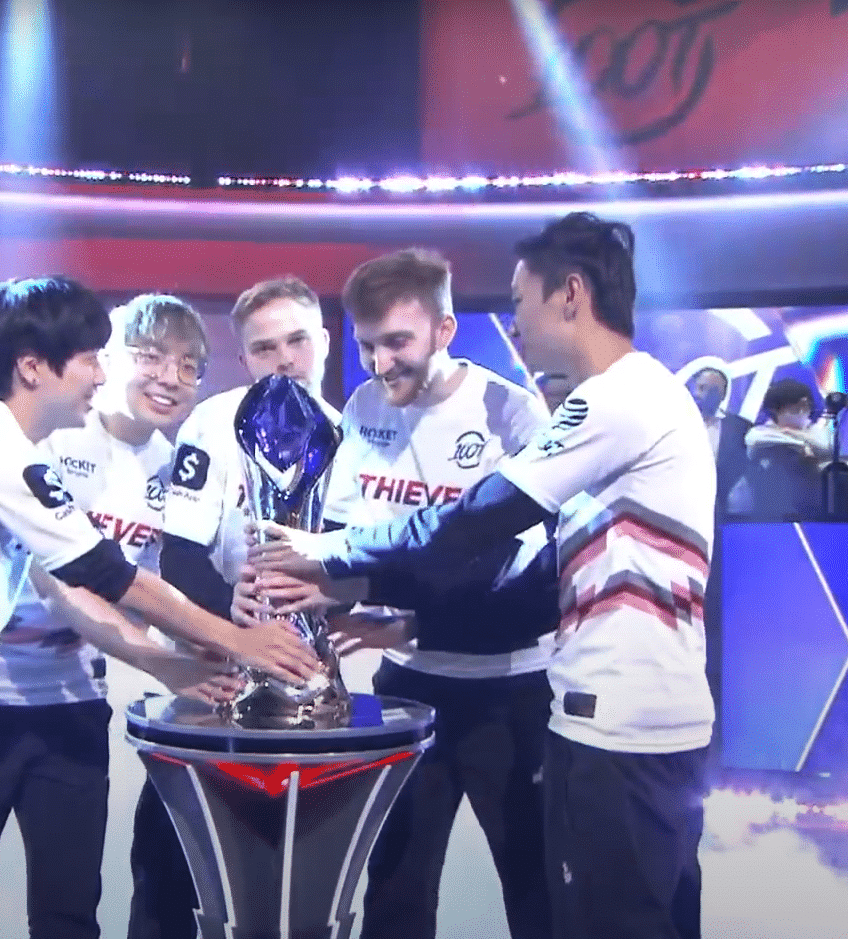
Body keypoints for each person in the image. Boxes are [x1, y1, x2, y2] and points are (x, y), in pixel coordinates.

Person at [249, 214, 716, 939]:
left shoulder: (608, 400)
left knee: (577, 909)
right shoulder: (631, 393)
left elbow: (476, 527)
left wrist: (331, 553)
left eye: (521, 301)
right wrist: (384, 606)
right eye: (366, 345)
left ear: (570, 294)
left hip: (606, 716)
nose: (516, 322)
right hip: (595, 715)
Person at [0, 277, 318, 939]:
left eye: (189, 364)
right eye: (94, 358)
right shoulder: (5, 453)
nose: (101, 375)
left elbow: (158, 576)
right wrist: (231, 642)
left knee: (37, 914)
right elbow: (100, 574)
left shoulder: (15, 439)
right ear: (32, 366)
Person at [241, 248, 554, 939]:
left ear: (445, 330)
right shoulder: (361, 407)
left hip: (509, 692)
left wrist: (394, 609)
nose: (380, 363)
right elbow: (345, 540)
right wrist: (300, 595)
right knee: (394, 890)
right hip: (405, 689)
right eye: (366, 345)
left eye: (397, 342)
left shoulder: (513, 415)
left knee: (534, 886)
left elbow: (511, 576)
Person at [0, 294, 217, 939]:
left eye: (188, 365)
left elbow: (162, 591)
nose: (169, 378)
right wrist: (165, 662)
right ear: (108, 359)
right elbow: (57, 580)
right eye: (151, 357)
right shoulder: (52, 430)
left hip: (74, 704)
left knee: (69, 912)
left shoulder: (176, 471)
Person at [128, 275, 336, 939]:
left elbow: (360, 563)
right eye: (265, 348)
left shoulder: (348, 432)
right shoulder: (214, 424)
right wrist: (236, 621)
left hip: (307, 695)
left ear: (323, 341)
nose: (284, 360)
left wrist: (335, 595)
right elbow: (181, 559)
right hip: (216, 685)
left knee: (284, 886)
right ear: (244, 357)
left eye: (297, 341)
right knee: (170, 876)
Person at [743, 378, 832, 519]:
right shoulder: (761, 432)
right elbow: (754, 440)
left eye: (806, 407)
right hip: (770, 506)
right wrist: (801, 446)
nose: (802, 411)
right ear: (775, 409)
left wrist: (793, 433)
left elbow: (824, 446)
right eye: (796, 408)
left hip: (813, 504)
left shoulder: (815, 431)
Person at [688, 366, 751, 515]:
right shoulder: (672, 423)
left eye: (713, 390)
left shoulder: (740, 429)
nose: (703, 395)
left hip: (721, 509)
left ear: (723, 395)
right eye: (701, 387)